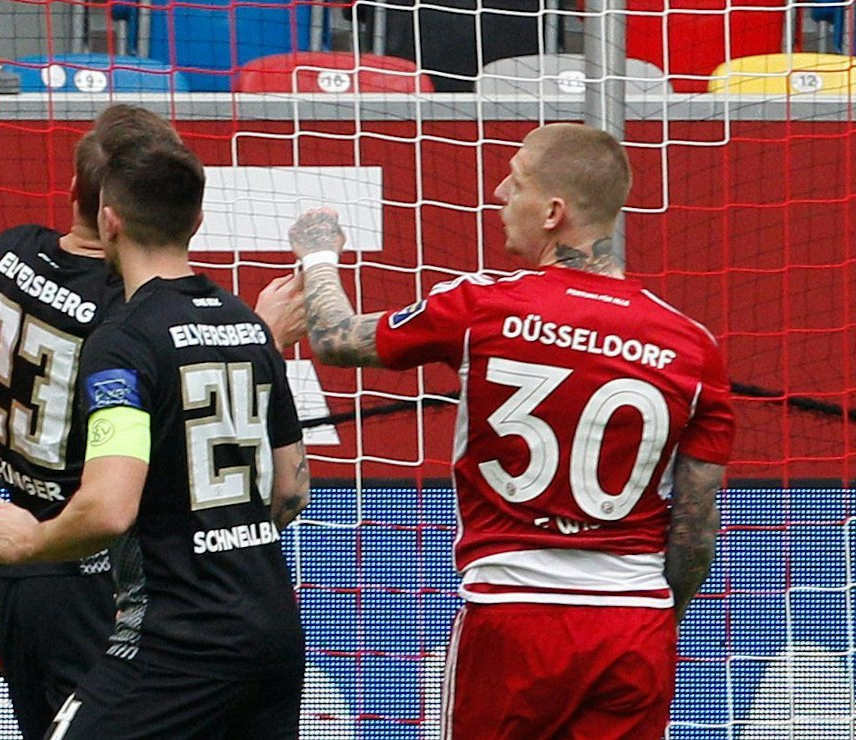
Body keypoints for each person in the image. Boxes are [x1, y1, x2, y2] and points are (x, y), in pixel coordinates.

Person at [286, 123, 733, 740]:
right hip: (634, 624)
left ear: (553, 212)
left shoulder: (480, 305)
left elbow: (335, 340)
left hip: (512, 612)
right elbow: (696, 531)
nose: (498, 191)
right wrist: (652, 611)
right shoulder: (693, 345)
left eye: (515, 180)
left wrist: (316, 253)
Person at [0, 105, 307, 740]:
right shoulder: (144, 319)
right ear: (194, 219)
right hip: (152, 587)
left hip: (49, 567)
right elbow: (281, 483)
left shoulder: (9, 253)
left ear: (91, 198)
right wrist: (260, 338)